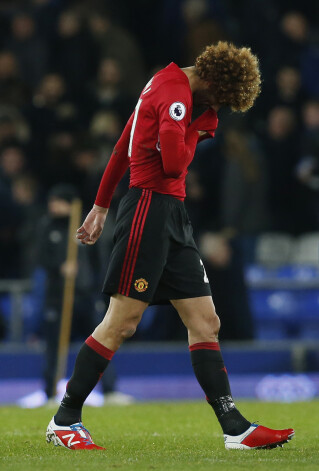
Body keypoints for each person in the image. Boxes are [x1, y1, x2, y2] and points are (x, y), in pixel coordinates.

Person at [46, 41, 294, 451]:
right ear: (213, 79)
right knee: (121, 322)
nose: (215, 106)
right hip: (148, 209)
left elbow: (124, 143)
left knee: (205, 320)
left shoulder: (162, 83)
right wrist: (197, 127)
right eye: (217, 97)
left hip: (171, 214)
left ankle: (235, 428)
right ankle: (65, 418)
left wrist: (101, 205)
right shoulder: (176, 94)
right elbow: (176, 164)